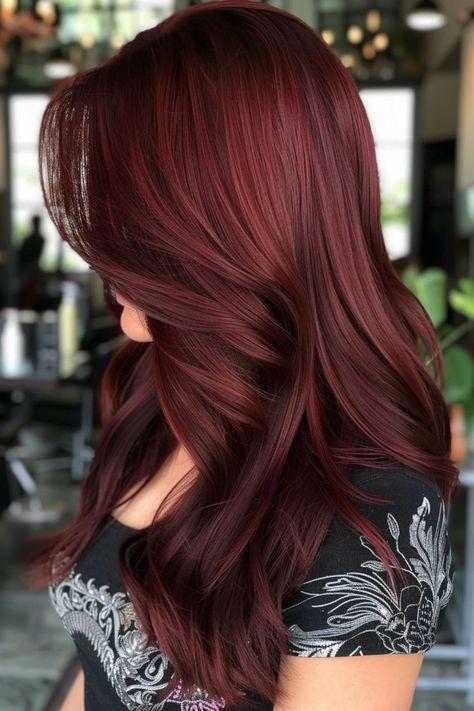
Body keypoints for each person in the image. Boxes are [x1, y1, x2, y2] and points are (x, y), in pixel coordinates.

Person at [29, 2, 459, 709]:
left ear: (219, 235)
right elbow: (98, 657)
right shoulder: (161, 395)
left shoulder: (369, 513)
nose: (96, 244)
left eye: (124, 217)